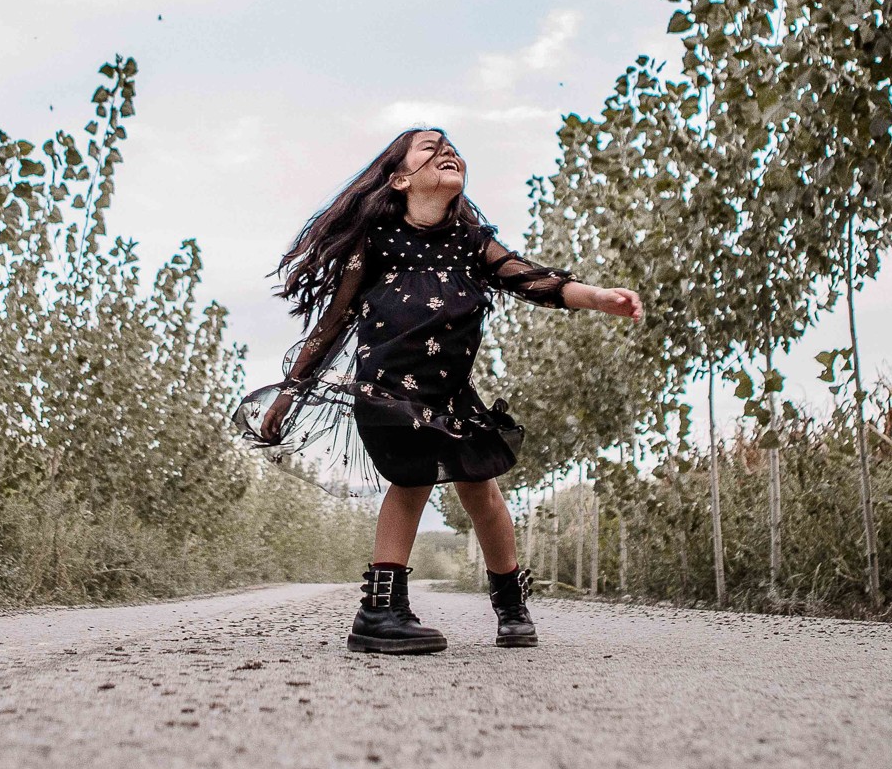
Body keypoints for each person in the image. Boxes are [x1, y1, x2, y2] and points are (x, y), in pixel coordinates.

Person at [232, 128, 643, 654]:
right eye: (430, 148)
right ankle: (379, 612)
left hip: (451, 394)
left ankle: (511, 606)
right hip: (386, 390)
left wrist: (598, 298)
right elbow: (332, 323)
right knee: (412, 480)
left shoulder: (472, 243)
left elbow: (532, 279)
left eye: (452, 147)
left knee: (482, 492)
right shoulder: (376, 242)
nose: (447, 150)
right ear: (400, 179)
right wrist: (291, 391)